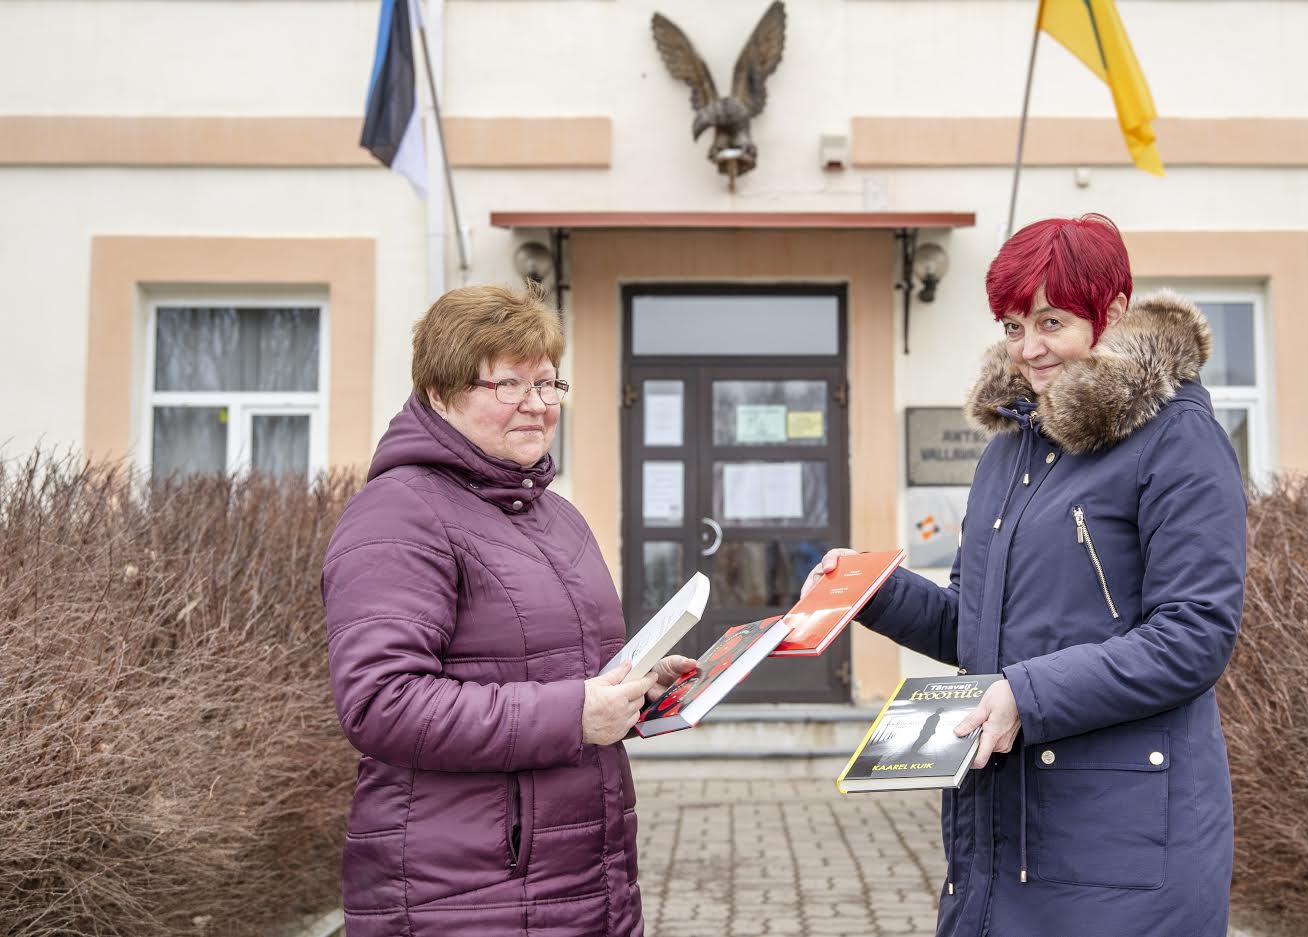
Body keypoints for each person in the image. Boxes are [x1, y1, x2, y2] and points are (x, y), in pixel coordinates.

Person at [804, 214, 1247, 937]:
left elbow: (1192, 638)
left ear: (1113, 311)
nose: (1029, 348)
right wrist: (871, 589)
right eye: (1011, 325)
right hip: (1003, 831)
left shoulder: (1177, 437)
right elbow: (975, 625)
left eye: (1051, 320)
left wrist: (1026, 693)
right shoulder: (1009, 448)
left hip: (1124, 845)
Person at [322, 284, 694, 937]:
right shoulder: (399, 513)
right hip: (465, 895)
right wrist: (575, 711)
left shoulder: (556, 516)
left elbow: (566, 676)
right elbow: (380, 702)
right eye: (508, 385)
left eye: (548, 384)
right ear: (440, 393)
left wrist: (636, 693)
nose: (537, 406)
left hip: (583, 882)